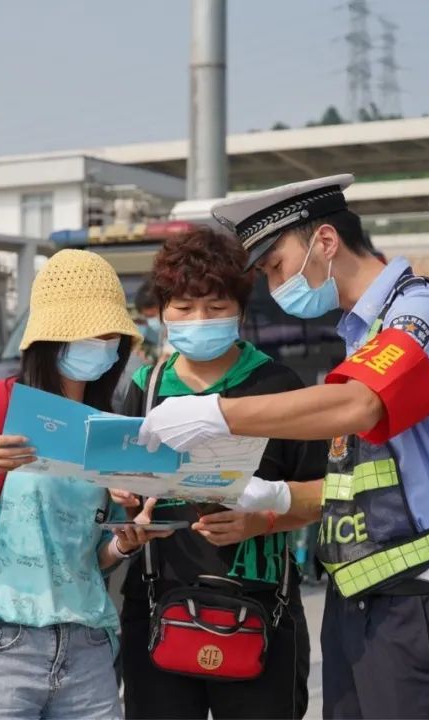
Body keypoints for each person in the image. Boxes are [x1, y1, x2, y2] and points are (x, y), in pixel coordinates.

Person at [138, 175, 429, 719]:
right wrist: (276, 500)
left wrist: (214, 412)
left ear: (325, 242)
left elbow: (360, 405)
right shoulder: (362, 333)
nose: (275, 285)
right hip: (359, 598)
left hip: (422, 603)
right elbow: (358, 479)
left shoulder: (420, 313)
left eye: (277, 265)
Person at [0, 250, 169, 720]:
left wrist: (124, 544)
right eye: (85, 333)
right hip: (2, 644)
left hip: (88, 646)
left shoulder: (111, 428)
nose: (100, 344)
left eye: (110, 335)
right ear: (51, 337)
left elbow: (88, 558)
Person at [116, 228, 326, 720]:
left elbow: (326, 494)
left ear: (241, 312)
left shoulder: (278, 387)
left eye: (215, 308)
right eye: (184, 308)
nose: (198, 320)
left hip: (258, 607)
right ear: (162, 313)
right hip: (157, 603)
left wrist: (263, 519)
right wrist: (123, 495)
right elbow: (120, 485)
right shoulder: (145, 391)